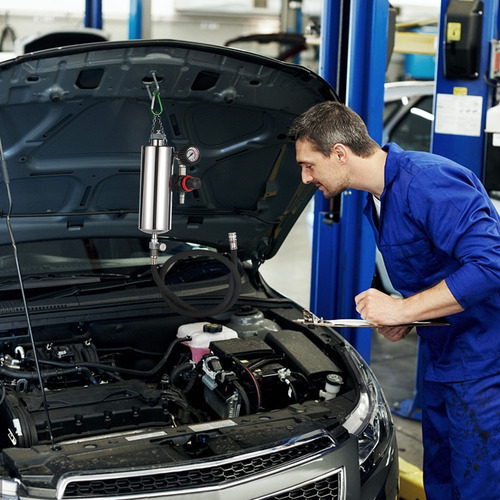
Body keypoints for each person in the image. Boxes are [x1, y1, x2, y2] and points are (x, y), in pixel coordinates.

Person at [288, 100, 500, 499]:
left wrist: (403, 307)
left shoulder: (428, 181)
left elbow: (491, 265)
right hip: (445, 354)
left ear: (339, 154)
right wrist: (409, 313)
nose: (304, 178)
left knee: (479, 482)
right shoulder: (379, 197)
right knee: (443, 476)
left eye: (309, 165)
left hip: (486, 360)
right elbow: (439, 268)